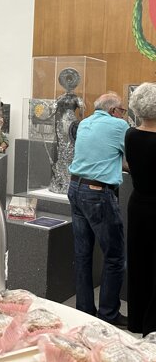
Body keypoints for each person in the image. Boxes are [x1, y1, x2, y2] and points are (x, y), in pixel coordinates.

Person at [67, 92, 129, 327]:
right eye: (122, 110)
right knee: (114, 257)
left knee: (83, 255)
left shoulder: (84, 123)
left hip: (75, 188)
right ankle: (108, 315)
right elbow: (131, 157)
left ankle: (84, 311)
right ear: (113, 111)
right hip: (98, 193)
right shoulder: (119, 126)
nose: (123, 115)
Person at [125, 82, 156, 336]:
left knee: (138, 262)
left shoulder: (131, 135)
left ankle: (136, 320)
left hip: (138, 205)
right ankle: (152, 325)